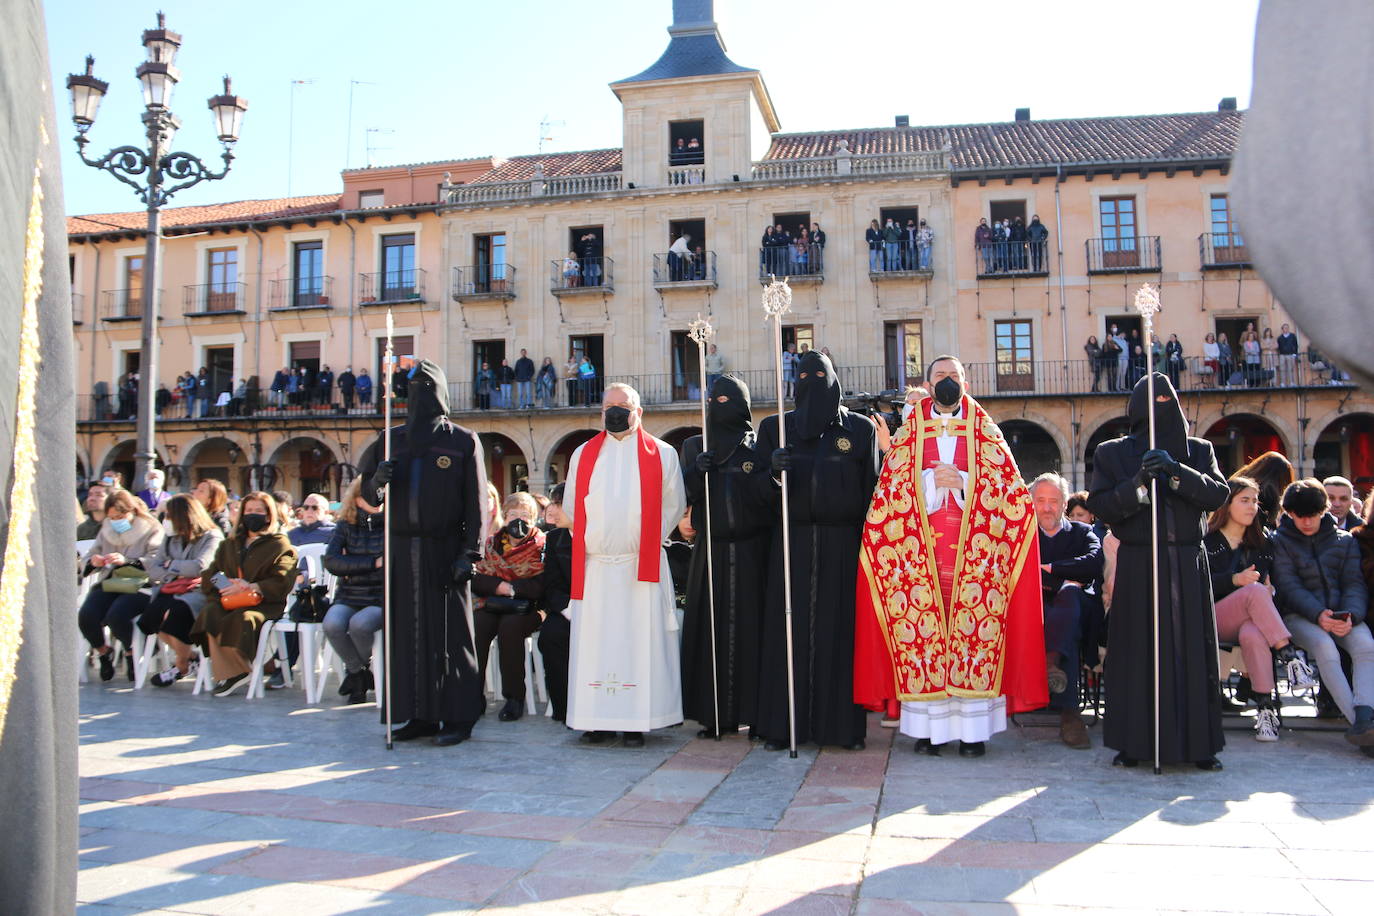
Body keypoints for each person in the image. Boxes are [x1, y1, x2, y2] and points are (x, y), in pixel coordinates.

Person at [856, 356, 1045, 758]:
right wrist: (926, 481)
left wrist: (963, 482)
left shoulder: (985, 428)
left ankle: (973, 734)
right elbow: (887, 493)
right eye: (940, 375)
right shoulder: (911, 430)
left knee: (973, 637)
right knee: (922, 637)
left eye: (954, 376)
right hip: (919, 555)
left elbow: (1012, 492)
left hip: (976, 554)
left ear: (966, 382)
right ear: (927, 382)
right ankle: (928, 732)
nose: (947, 382)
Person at [1088, 372, 1230, 770]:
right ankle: (1134, 743)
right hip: (1138, 562)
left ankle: (1199, 745)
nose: (1158, 413)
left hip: (1186, 562)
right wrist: (1138, 483)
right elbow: (1103, 506)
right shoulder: (1111, 453)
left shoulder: (1199, 451)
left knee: (1191, 651)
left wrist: (1176, 471)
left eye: (1166, 404)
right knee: (1137, 652)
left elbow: (1218, 494)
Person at [360, 359, 487, 746]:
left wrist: (472, 553)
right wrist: (378, 482)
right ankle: (416, 713)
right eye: (414, 389)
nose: (421, 397)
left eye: (427, 388)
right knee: (407, 636)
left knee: (450, 638)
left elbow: (476, 503)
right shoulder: (390, 439)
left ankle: (457, 718)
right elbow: (367, 494)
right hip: (401, 549)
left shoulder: (462, 440)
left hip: (444, 550)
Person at [755, 351, 878, 751]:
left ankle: (841, 727)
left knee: (839, 633)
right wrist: (773, 472)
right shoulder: (775, 428)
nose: (812, 383)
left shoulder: (859, 430)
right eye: (804, 376)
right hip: (790, 545)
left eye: (819, 376)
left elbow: (871, 491)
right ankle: (781, 725)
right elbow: (756, 495)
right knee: (786, 633)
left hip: (842, 545)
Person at [562, 385, 685, 746]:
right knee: (595, 646)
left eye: (624, 406)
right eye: (609, 406)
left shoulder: (662, 454)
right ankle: (595, 719)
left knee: (639, 644)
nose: (615, 412)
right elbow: (572, 507)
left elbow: (673, 505)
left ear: (639, 411)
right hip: (596, 566)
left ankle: (636, 721)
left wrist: (641, 540)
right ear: (600, 412)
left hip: (639, 566)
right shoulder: (583, 454)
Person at [679, 375, 770, 737]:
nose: (721, 407)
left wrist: (774, 474)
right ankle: (714, 714)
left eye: (729, 400)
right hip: (710, 554)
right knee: (710, 634)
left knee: (754, 630)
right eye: (715, 400)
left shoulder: (759, 446)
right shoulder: (695, 446)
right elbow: (680, 499)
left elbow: (767, 499)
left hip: (753, 553)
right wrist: (693, 473)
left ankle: (756, 711)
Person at [1204, 477, 1317, 741]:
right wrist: (1234, 580)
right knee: (1253, 592)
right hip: (1211, 616)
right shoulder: (1206, 541)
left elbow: (1272, 587)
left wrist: (1271, 592)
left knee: (1253, 632)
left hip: (1250, 619)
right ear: (1227, 504)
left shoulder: (1263, 542)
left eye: (1255, 501)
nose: (1252, 506)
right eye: (1245, 500)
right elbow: (1195, 583)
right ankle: (1290, 657)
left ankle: (1265, 711)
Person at [1271, 479, 1374, 753]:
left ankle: (1364, 719)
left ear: (1323, 511)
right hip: (1300, 616)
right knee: (1326, 650)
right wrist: (1318, 615)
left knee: (1366, 647)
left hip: (1343, 613)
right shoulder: (1279, 541)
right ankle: (1362, 727)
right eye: (1299, 516)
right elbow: (1288, 586)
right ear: (1289, 513)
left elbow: (1354, 582)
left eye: (1312, 515)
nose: (1306, 522)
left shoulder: (1345, 540)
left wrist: (1351, 614)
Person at [190, 492, 297, 696]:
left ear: (268, 515)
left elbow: (283, 580)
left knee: (244, 618)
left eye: (259, 511)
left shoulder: (279, 544)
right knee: (210, 612)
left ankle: (236, 671)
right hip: (230, 598)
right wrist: (226, 585)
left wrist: (251, 586)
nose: (253, 515)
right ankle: (236, 670)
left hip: (263, 603)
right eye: (249, 511)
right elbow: (211, 573)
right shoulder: (231, 544)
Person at [1031, 473, 1103, 749]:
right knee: (1064, 623)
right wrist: (1067, 575)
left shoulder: (1082, 532)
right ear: (1032, 503)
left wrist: (1050, 569)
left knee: (1071, 597)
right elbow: (1017, 570)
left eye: (1053, 501)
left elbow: (1092, 564)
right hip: (1035, 610)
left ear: (1064, 504)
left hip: (1079, 612)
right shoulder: (1024, 534)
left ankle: (1051, 665)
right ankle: (1070, 715)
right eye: (1041, 501)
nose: (1047, 507)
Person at [472, 492, 546, 722]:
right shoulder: (491, 543)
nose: (519, 520)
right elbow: (476, 577)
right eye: (514, 514)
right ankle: (473, 696)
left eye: (525, 515)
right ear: (505, 516)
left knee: (510, 629)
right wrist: (501, 587)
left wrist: (513, 590)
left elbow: (542, 584)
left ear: (533, 519)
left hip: (528, 608)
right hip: (494, 603)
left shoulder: (541, 545)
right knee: (478, 626)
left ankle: (514, 698)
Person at [77, 490, 165, 682]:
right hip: (111, 582)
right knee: (87, 614)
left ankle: (131, 652)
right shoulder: (107, 529)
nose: (116, 521)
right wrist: (95, 561)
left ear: (132, 511)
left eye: (120, 516)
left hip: (141, 584)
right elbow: (87, 558)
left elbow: (156, 559)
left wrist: (126, 560)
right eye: (112, 517)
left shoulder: (151, 528)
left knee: (117, 615)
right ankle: (103, 651)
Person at [140, 495, 224, 687]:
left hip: (200, 591)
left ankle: (181, 664)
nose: (166, 519)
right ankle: (190, 658)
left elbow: (200, 567)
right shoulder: (171, 538)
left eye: (169, 515)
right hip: (171, 587)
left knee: (177, 613)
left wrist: (170, 565)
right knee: (151, 617)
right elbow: (154, 568)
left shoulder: (212, 536)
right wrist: (178, 571)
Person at [321, 477, 385, 705]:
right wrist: (373, 563)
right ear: (357, 499)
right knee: (332, 624)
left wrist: (353, 564)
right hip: (349, 594)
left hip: (381, 597)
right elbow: (332, 562)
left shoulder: (392, 525)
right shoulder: (345, 526)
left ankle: (356, 676)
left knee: (360, 624)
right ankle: (359, 672)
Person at [539, 483, 574, 722]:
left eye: (560, 504)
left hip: (600, 609)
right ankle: (563, 709)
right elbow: (550, 583)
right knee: (551, 636)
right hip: (566, 609)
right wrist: (568, 608)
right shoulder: (554, 538)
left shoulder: (597, 535)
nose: (554, 510)